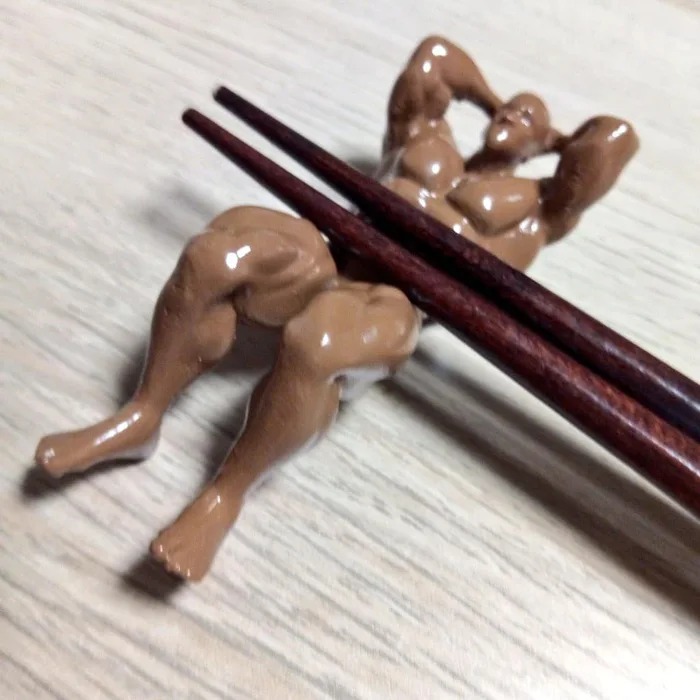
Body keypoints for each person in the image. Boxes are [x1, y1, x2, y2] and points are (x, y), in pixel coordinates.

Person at [34, 36, 638, 581]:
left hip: (396, 299)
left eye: (528, 117)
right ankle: (140, 416)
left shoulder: (538, 210)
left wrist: (554, 139)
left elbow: (611, 142)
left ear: (546, 147)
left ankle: (223, 498)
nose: (512, 116)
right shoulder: (423, 141)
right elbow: (434, 59)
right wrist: (495, 101)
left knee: (316, 344)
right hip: (329, 251)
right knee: (214, 257)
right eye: (510, 108)